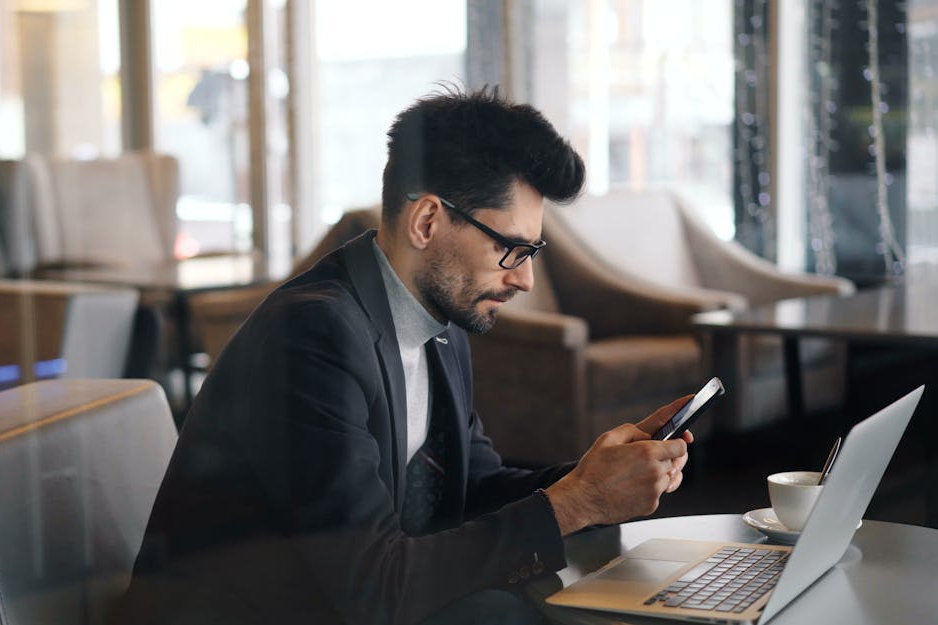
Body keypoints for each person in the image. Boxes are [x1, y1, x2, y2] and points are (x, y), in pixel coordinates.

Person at [112, 87, 693, 625]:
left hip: (332, 598)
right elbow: (368, 588)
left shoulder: (439, 324)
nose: (526, 281)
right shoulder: (312, 335)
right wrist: (579, 502)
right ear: (427, 221)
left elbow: (472, 489)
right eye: (512, 249)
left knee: (524, 603)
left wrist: (594, 480)